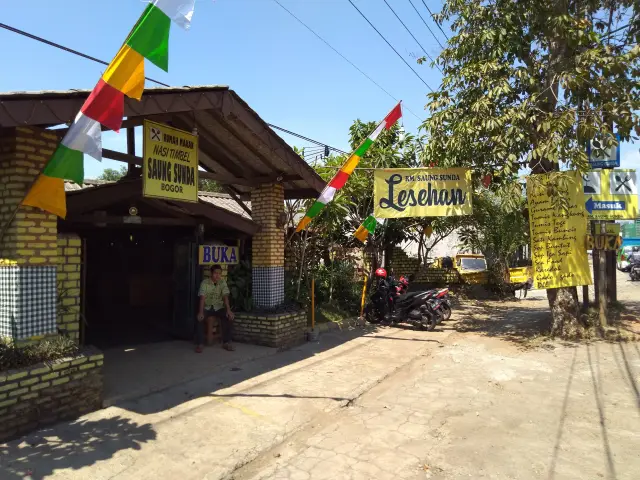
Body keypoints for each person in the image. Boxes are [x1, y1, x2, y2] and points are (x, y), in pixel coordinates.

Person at [195, 265, 235, 353]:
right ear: (211, 273)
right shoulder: (205, 283)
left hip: (219, 307)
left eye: (219, 274)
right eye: (215, 273)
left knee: (228, 316)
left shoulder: (222, 282)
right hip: (208, 307)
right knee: (199, 319)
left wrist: (228, 310)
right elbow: (202, 298)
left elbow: (225, 297)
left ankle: (226, 342)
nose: (217, 276)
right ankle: (200, 344)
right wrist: (201, 312)